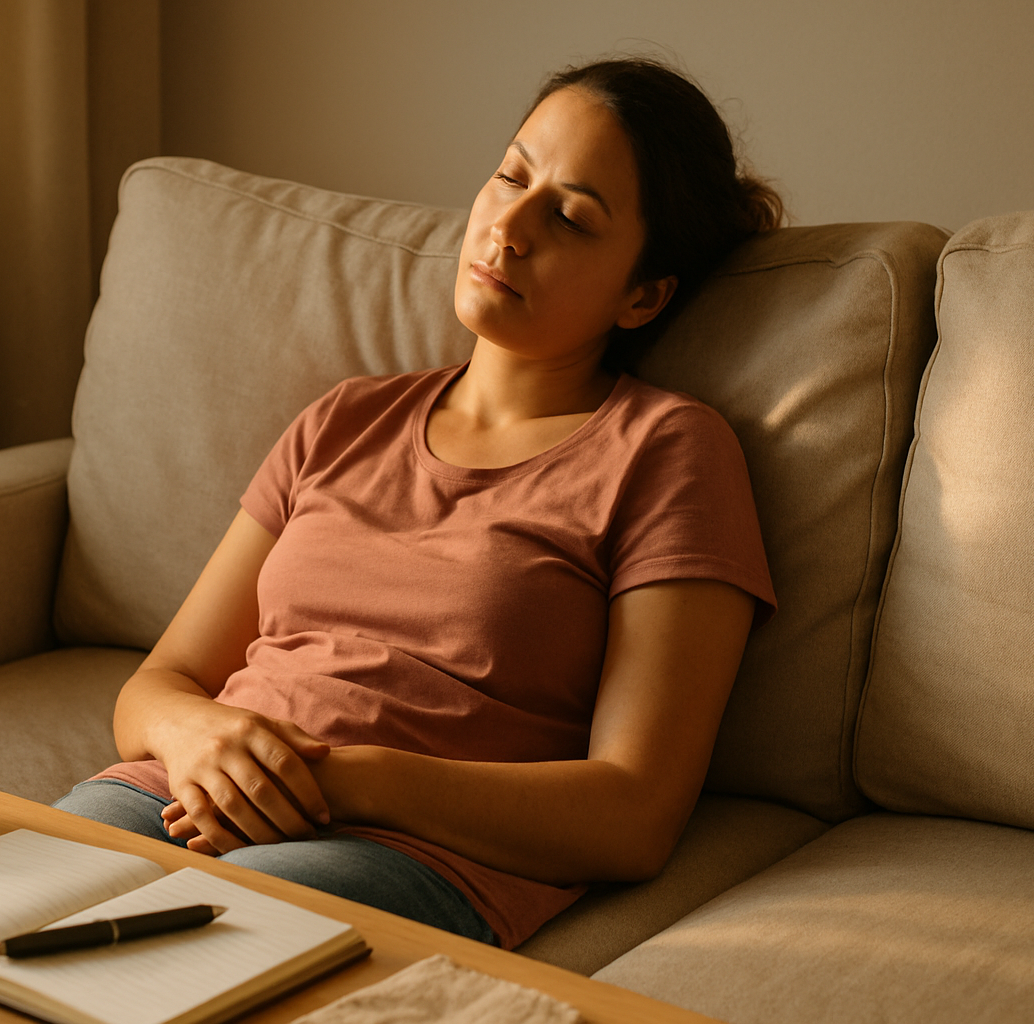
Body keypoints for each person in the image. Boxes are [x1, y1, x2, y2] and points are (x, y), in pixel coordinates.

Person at [54, 56, 782, 950]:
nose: (508, 226)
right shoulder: (346, 418)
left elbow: (634, 812)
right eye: (511, 176)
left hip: (406, 843)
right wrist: (199, 735)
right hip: (185, 790)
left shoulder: (668, 451)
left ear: (645, 295)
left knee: (180, 964)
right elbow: (157, 684)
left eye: (569, 217)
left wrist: (345, 780)